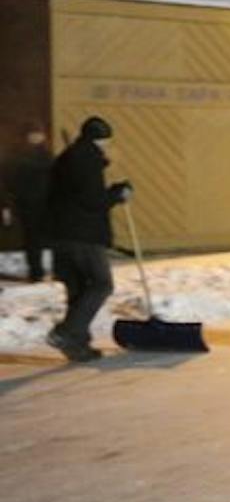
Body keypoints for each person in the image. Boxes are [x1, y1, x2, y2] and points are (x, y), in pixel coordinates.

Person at [43, 116, 131, 363]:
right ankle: (66, 332)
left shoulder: (67, 158)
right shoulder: (87, 160)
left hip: (60, 235)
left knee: (79, 290)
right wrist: (117, 194)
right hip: (83, 235)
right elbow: (93, 201)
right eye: (106, 143)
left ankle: (77, 346)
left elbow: (73, 193)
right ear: (101, 140)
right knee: (102, 284)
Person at [2, 121, 54, 282]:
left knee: (40, 238)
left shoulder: (45, 154)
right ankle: (36, 271)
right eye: (33, 134)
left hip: (44, 202)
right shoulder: (19, 156)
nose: (36, 137)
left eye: (38, 133)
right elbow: (8, 180)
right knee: (33, 238)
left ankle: (41, 270)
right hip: (28, 203)